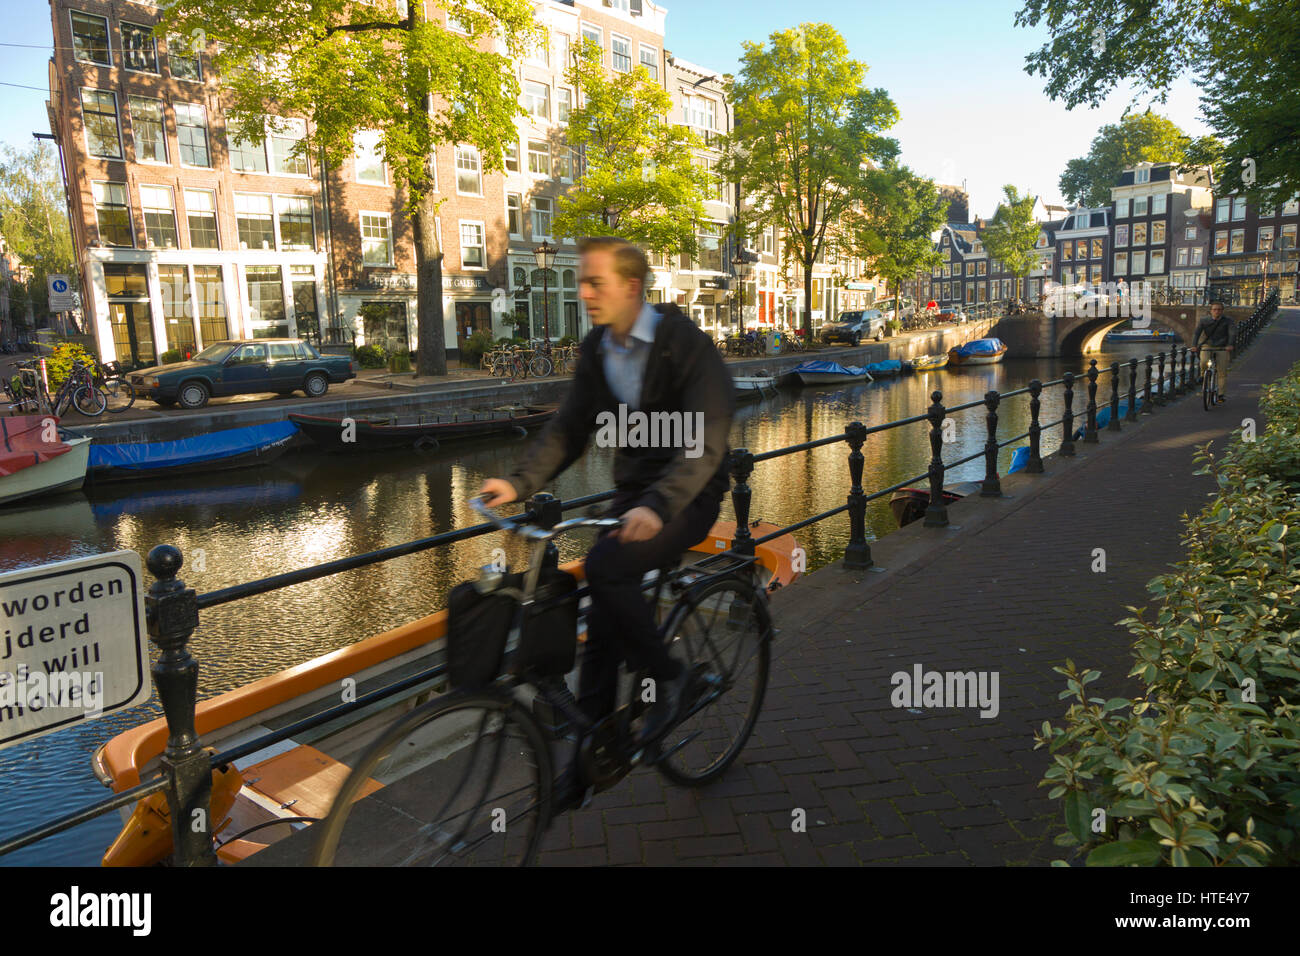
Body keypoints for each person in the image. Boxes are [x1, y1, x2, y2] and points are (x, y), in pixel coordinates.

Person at [478, 236, 734, 796]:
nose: (584, 292)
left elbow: (707, 440)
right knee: (603, 618)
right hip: (636, 492)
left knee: (608, 567)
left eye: (595, 282)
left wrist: (661, 504)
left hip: (689, 492)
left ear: (632, 288)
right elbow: (571, 427)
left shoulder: (683, 345)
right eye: (581, 282)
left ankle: (673, 680)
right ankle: (592, 754)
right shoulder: (599, 347)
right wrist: (519, 482)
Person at [1192, 301, 1235, 402]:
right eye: (1214, 310)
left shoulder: (1228, 321)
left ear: (1222, 311)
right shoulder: (1204, 320)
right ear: (1211, 311)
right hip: (1208, 345)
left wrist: (1230, 344)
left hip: (1222, 347)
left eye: (1219, 310)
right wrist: (1194, 345)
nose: (1217, 312)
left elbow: (1232, 333)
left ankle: (1220, 394)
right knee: (1203, 361)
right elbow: (1196, 333)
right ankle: (1203, 375)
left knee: (1222, 372)